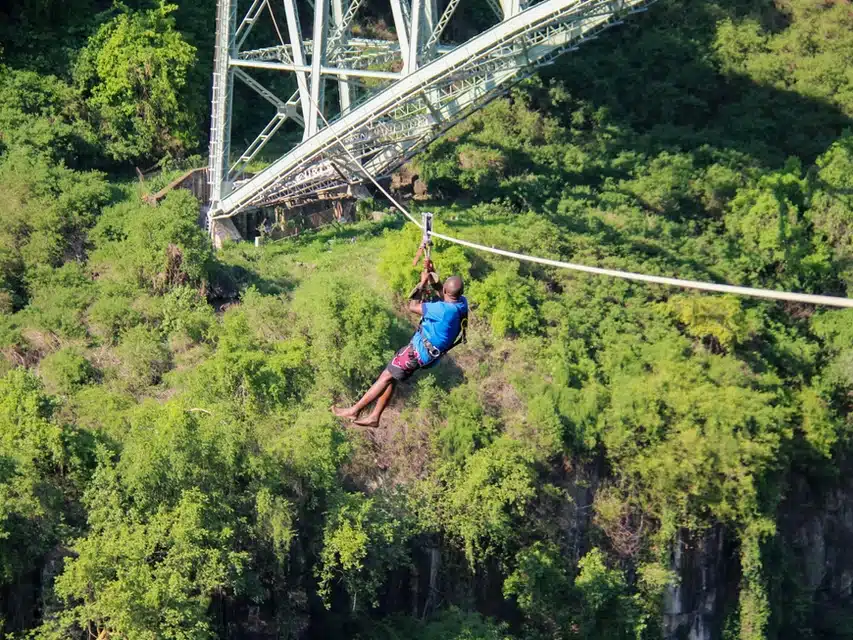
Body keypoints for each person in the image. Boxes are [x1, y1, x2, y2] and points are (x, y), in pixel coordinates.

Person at [333, 270, 468, 428]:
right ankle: (375, 416)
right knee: (392, 376)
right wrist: (433, 278)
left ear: (446, 290)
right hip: (429, 355)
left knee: (386, 376)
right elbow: (444, 293)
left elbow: (413, 306)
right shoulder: (461, 303)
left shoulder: (442, 310)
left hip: (417, 353)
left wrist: (422, 283)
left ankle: (355, 410)